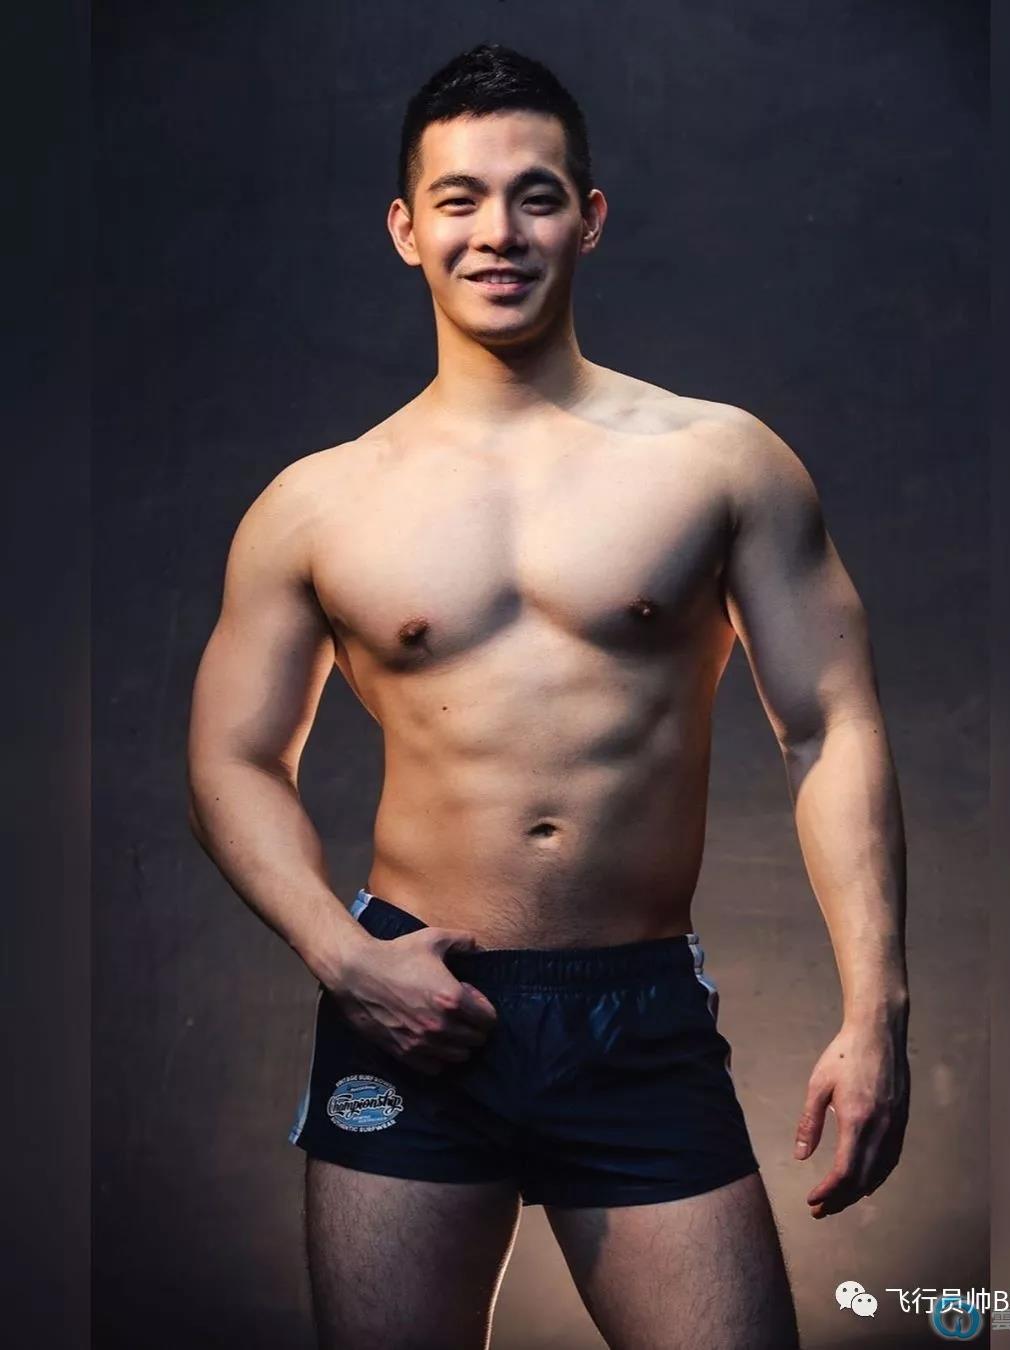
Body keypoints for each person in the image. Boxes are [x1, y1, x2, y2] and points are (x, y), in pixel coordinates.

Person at [187, 41, 910, 1350]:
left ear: (590, 216)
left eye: (535, 195)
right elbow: (233, 758)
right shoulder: (317, 502)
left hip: (636, 1015)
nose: (498, 232)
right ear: (406, 229)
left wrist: (876, 1010)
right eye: (458, 199)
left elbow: (828, 727)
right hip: (408, 1013)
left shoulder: (720, 462)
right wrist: (343, 956)